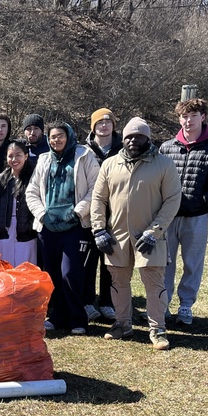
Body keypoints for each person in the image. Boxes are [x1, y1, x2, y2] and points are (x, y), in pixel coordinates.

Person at [90, 117, 182, 350]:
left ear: (147, 138)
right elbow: (98, 198)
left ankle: (158, 329)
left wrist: (155, 230)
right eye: (129, 136)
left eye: (138, 136)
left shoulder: (163, 164)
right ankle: (122, 323)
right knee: (118, 282)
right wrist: (99, 229)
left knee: (154, 283)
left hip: (150, 237)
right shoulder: (110, 164)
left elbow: (172, 200)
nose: (132, 140)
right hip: (117, 236)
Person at [158, 98, 208, 325]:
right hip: (168, 217)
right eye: (184, 117)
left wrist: (206, 198)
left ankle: (186, 306)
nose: (188, 121)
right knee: (164, 263)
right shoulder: (167, 147)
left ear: (203, 117)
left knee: (193, 263)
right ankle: (162, 306)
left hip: (196, 216)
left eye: (193, 116)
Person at [26, 123, 99, 334]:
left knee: (70, 272)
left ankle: (78, 318)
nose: (55, 140)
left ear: (69, 136)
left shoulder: (84, 155)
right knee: (52, 273)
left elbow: (96, 188)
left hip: (75, 225)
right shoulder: (44, 159)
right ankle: (57, 316)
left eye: (60, 136)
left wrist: (77, 212)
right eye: (52, 137)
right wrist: (42, 214)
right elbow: (32, 191)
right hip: (48, 226)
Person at [83, 108, 122, 322]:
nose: (104, 126)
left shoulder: (123, 148)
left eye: (108, 122)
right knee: (88, 261)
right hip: (90, 214)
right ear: (93, 126)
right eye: (99, 122)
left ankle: (108, 302)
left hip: (116, 214)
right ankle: (88, 302)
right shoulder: (83, 150)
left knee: (111, 261)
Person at [0, 139, 38, 267]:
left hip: (26, 231)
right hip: (4, 229)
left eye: (18, 155)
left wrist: (31, 225)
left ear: (26, 156)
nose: (14, 159)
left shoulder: (33, 178)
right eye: (10, 156)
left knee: (26, 270)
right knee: (5, 270)